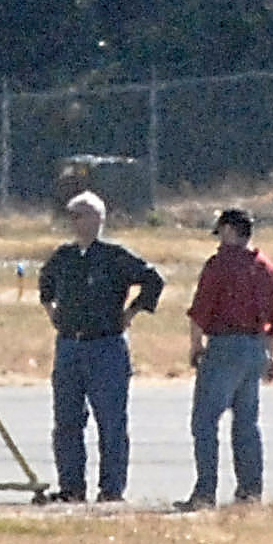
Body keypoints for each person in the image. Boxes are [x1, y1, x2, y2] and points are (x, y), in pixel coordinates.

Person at [36, 191, 165, 503]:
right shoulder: (64, 257)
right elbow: (45, 282)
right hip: (70, 346)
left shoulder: (114, 256)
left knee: (110, 421)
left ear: (98, 219)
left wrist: (131, 313)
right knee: (66, 421)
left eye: (81, 215)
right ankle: (71, 487)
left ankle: (111, 489)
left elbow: (153, 280)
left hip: (105, 346)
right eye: (72, 216)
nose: (76, 223)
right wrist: (52, 311)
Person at [177, 206, 273, 510]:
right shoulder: (266, 268)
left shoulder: (219, 265)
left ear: (229, 231)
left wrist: (196, 346)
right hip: (255, 348)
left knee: (205, 422)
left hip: (224, 346)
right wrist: (269, 356)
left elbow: (201, 310)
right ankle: (250, 492)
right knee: (247, 424)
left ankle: (205, 492)